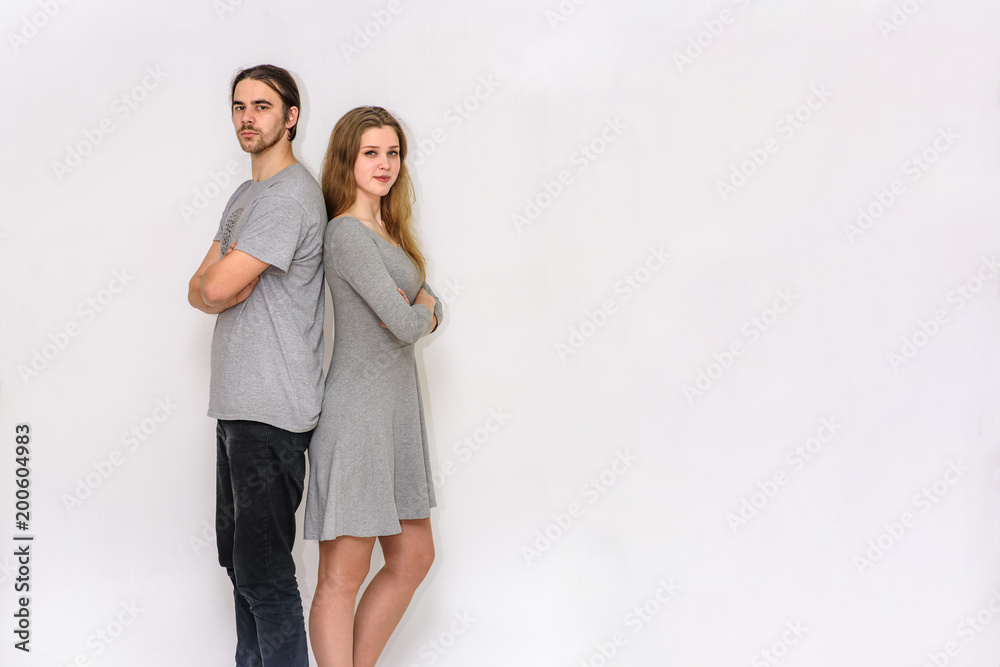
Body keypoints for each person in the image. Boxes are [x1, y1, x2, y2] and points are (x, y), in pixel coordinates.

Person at [187, 64, 326, 667]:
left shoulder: (291, 196)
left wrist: (219, 286)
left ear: (290, 117)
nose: (248, 117)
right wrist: (217, 286)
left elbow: (215, 289)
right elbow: (199, 287)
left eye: (263, 107)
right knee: (239, 566)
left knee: (265, 576)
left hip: (272, 413)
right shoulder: (245, 196)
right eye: (240, 106)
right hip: (237, 408)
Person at [304, 106, 444, 667]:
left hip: (395, 418)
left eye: (393, 153)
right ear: (347, 160)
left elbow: (423, 307)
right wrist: (426, 307)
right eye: (371, 153)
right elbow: (409, 321)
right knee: (344, 574)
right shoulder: (346, 234)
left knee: (414, 556)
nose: (385, 164)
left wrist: (424, 306)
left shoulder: (390, 231)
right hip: (357, 418)